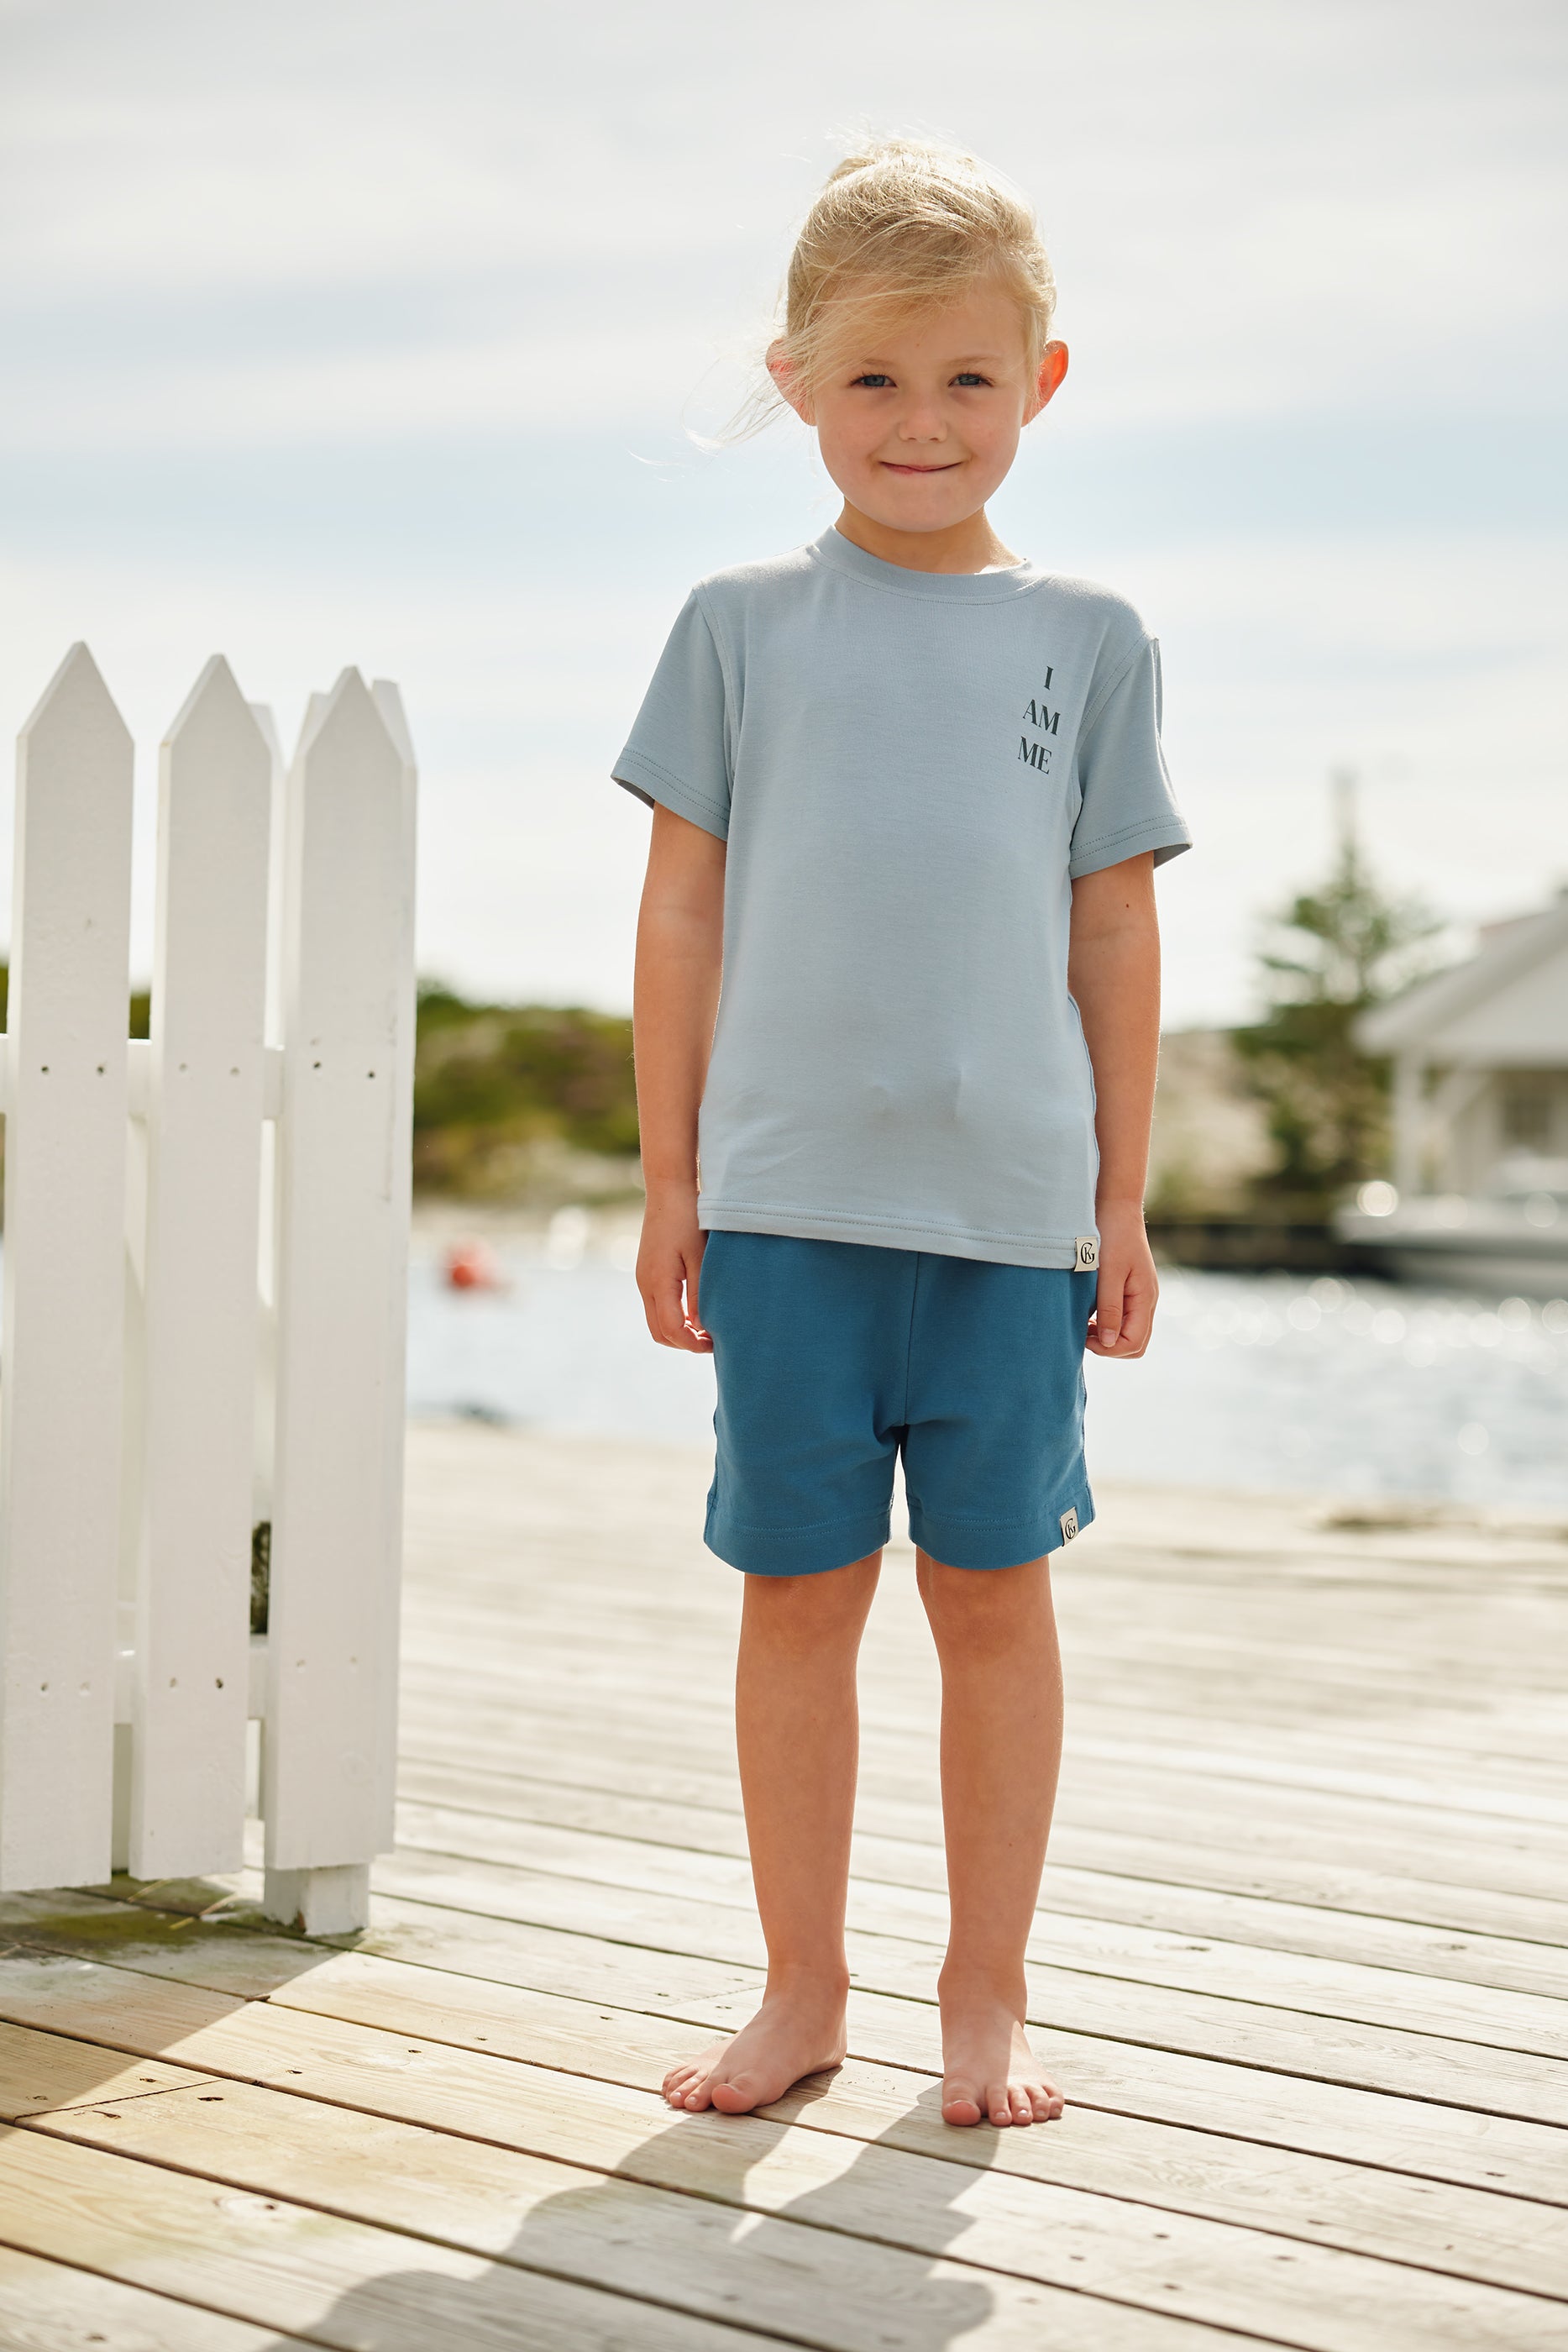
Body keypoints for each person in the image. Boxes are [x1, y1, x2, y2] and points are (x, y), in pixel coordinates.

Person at [614, 138, 1189, 2132]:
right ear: (794, 380)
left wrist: (1121, 1199)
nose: (919, 420)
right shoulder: (736, 624)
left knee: (995, 1598)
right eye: (872, 377)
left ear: (1040, 382)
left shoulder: (1090, 636)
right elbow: (680, 913)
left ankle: (986, 1990)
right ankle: (801, 1985)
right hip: (786, 1206)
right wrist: (672, 1175)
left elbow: (1111, 927)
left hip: (1012, 1218)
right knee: (797, 1600)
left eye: (964, 378)